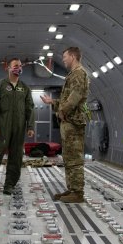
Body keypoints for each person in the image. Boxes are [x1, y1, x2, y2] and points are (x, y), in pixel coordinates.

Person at [41, 46, 89, 203]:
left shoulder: (79, 74)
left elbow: (73, 99)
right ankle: (71, 189)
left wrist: (61, 112)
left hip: (73, 123)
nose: (63, 60)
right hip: (69, 122)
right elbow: (67, 100)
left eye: (65, 57)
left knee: (74, 159)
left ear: (73, 57)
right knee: (68, 158)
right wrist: (53, 102)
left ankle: (78, 192)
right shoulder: (73, 75)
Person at [0, 58, 35, 195]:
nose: (18, 68)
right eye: (15, 66)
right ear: (8, 68)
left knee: (16, 157)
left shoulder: (25, 87)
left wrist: (30, 126)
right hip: (2, 127)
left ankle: (9, 184)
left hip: (19, 128)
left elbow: (30, 107)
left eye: (20, 65)